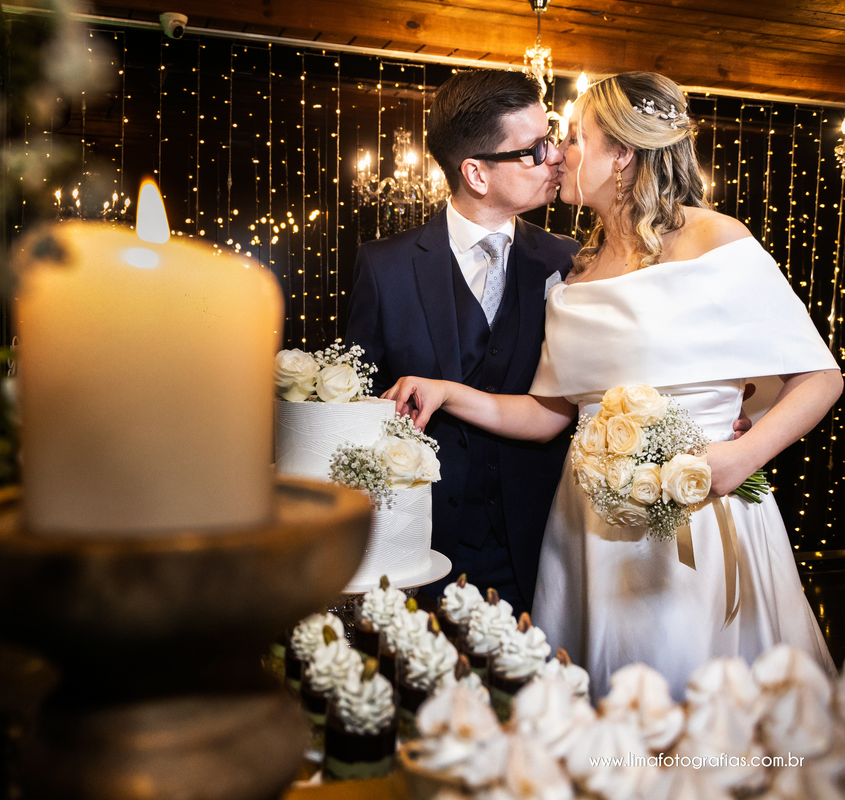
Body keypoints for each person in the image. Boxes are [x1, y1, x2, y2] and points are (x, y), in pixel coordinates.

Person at [384, 71, 840, 698]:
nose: (558, 154)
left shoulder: (716, 239)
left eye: (574, 138)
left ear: (622, 154)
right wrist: (446, 391)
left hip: (697, 514)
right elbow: (547, 413)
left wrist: (743, 456)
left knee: (696, 706)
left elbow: (820, 377)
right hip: (587, 533)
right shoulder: (574, 274)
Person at [345, 70, 578, 616]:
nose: (556, 158)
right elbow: (354, 410)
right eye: (535, 149)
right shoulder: (385, 267)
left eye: (551, 140)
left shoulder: (569, 260)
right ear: (475, 173)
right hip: (419, 544)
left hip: (541, 542)